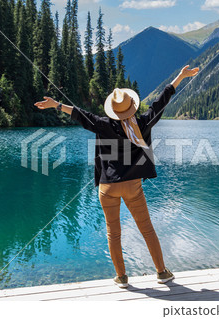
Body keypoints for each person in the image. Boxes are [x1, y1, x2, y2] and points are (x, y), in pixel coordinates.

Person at [35, 65, 199, 288]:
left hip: (107, 187)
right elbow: (162, 100)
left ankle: (121, 277)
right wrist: (180, 76)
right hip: (132, 187)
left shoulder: (102, 124)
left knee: (113, 232)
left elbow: (78, 114)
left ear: (112, 109)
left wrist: (56, 104)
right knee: (147, 229)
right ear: (132, 106)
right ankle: (161, 272)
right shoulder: (143, 123)